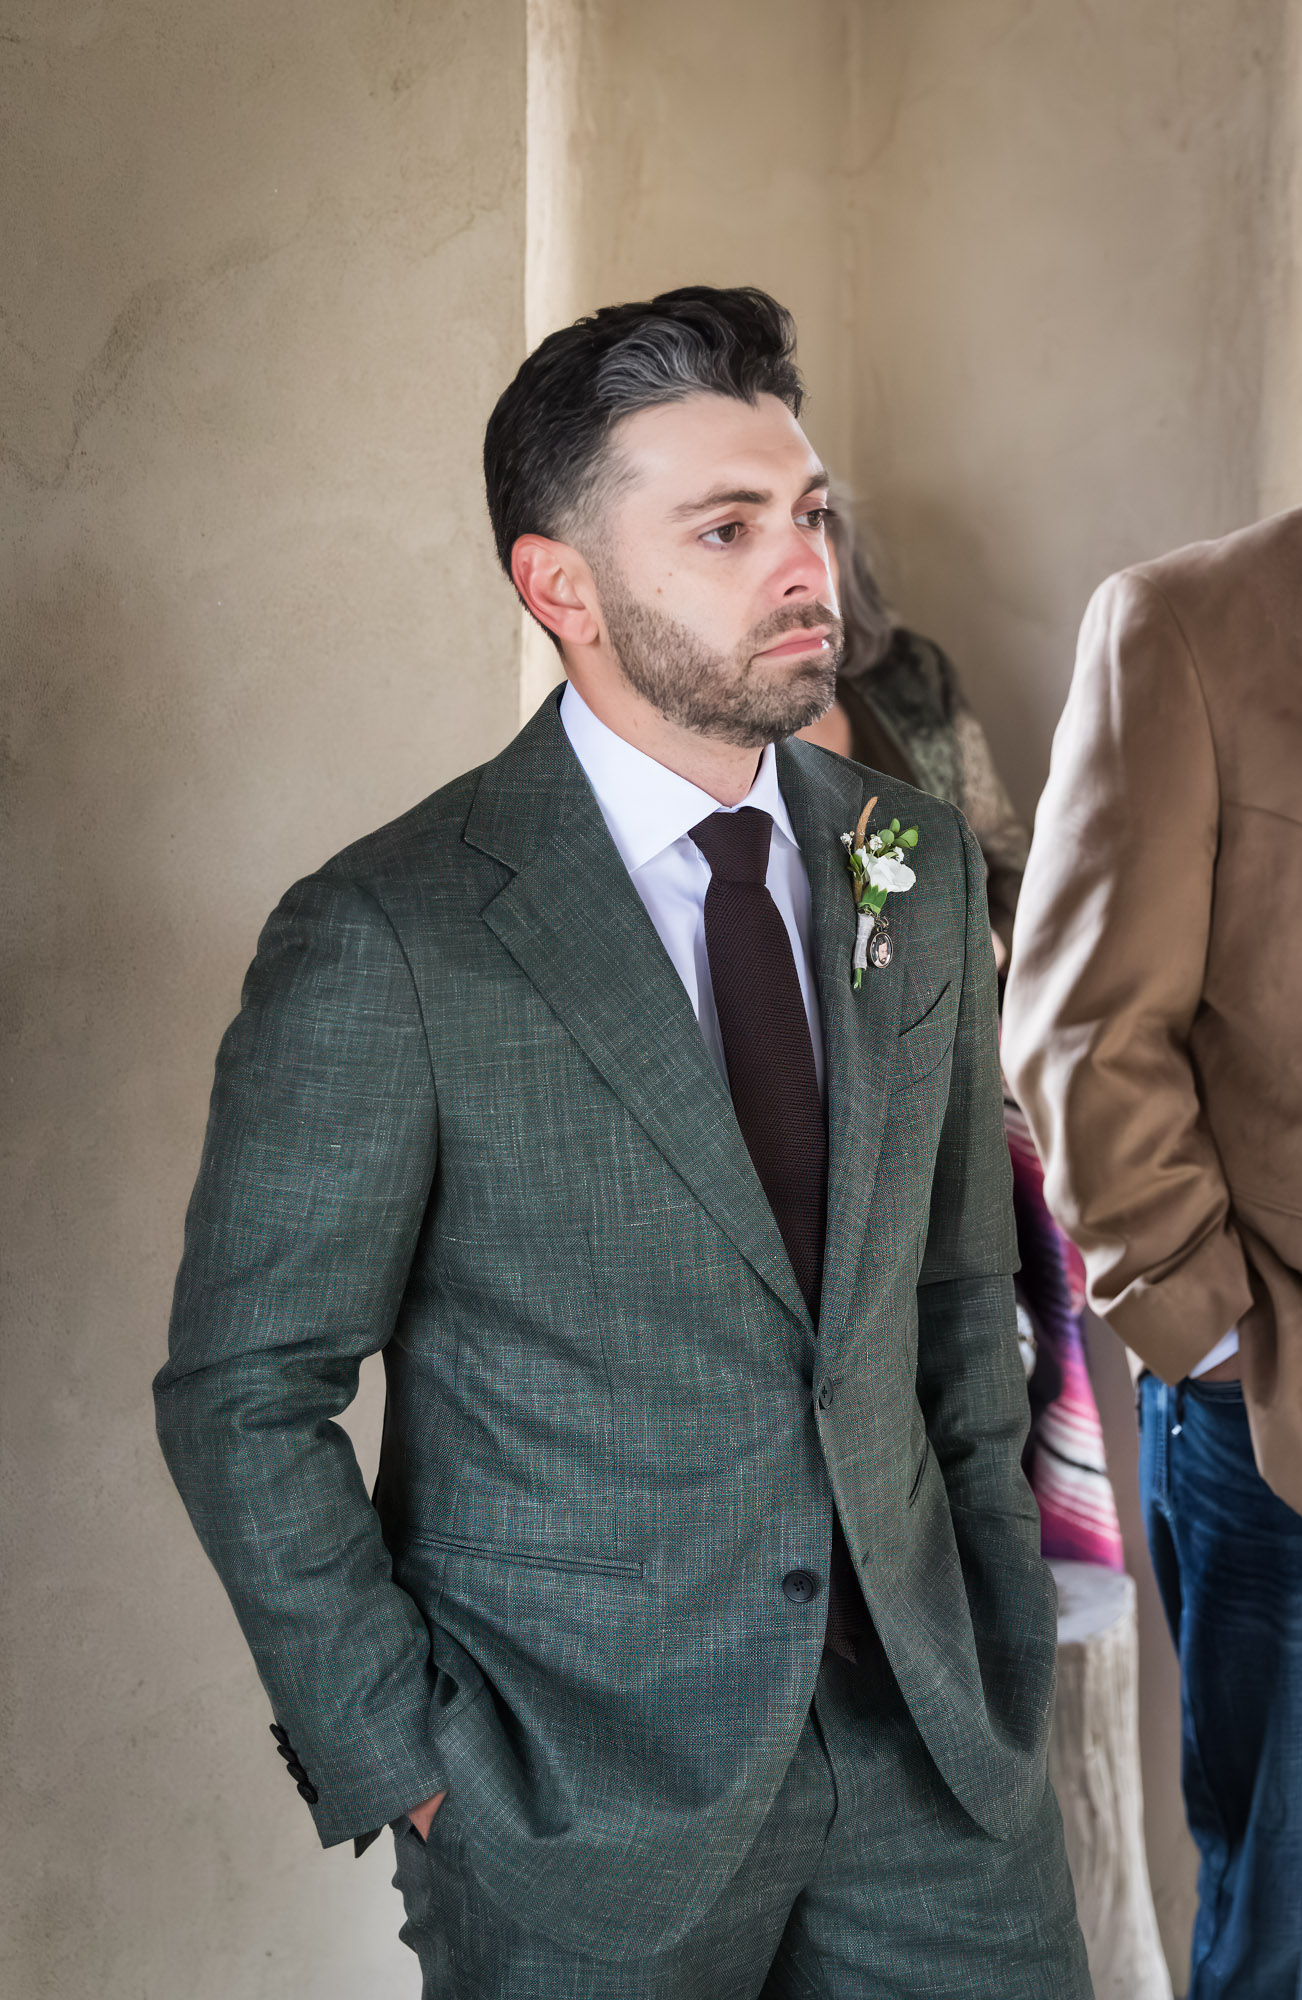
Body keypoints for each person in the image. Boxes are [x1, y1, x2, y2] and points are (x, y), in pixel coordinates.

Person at [155, 285, 1088, 1997]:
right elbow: (243, 1390)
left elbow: (960, 1296)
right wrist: (411, 1768)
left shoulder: (910, 861)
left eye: (806, 514)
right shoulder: (394, 931)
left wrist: (998, 1634)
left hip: (932, 1765)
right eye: (725, 528)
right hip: (570, 1799)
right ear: (558, 586)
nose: (800, 563)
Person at [1004, 496, 1302, 1999]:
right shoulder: (1185, 626)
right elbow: (1081, 1036)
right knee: (1294, 1941)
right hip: (1295, 1428)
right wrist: (1220, 1345)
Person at [801, 502, 1122, 1571]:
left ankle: (997, 1571)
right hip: (812, 1090)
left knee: (992, 1337)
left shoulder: (910, 682)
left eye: (811, 525)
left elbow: (1001, 848)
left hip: (962, 1062)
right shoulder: (712, 714)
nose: (795, 562)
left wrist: (979, 945)